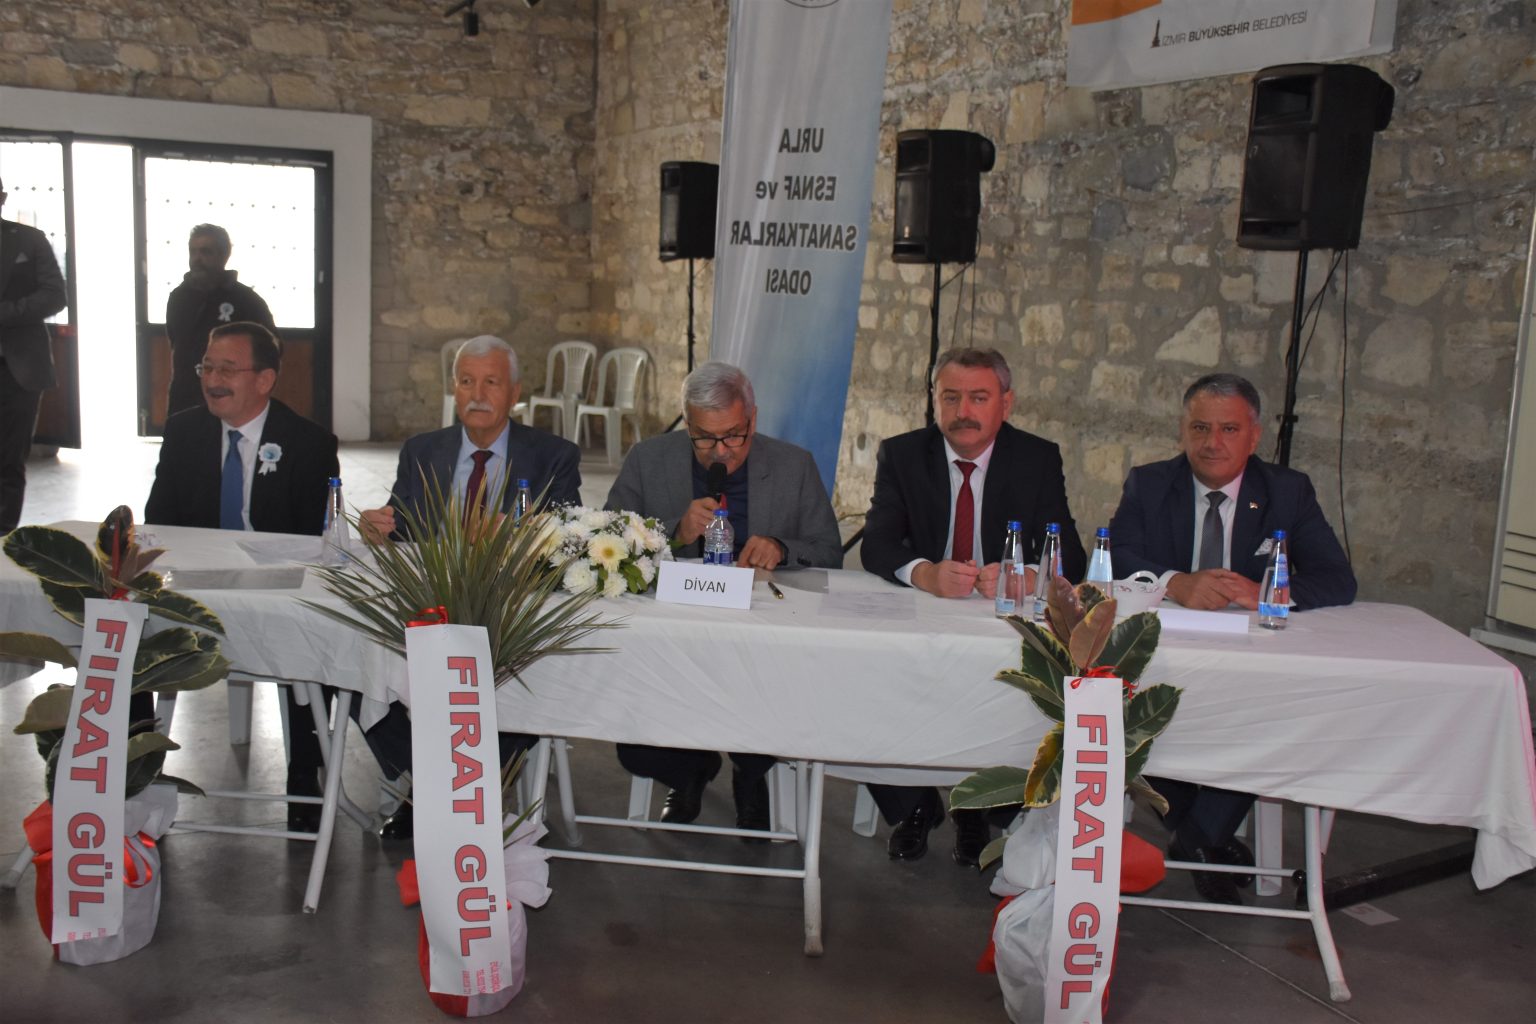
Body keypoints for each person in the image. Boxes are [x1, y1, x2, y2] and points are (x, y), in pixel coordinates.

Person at [1108, 371, 1356, 903]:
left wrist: (1264, 591)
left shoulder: (1287, 491)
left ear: (1254, 435)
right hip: (1167, 661)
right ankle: (1207, 838)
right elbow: (1113, 558)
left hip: (1252, 667)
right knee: (1128, 705)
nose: (1212, 443)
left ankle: (1198, 836)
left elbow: (1338, 578)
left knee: (1271, 712)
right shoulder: (1150, 484)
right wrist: (1175, 582)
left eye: (1228, 429)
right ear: (1183, 430)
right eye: (1200, 427)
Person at [861, 347, 1086, 866]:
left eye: (979, 398)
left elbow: (1068, 554)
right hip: (923, 617)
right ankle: (914, 805)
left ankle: (982, 806)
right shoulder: (903, 454)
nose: (963, 411)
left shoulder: (1036, 458)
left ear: (1006, 403)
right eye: (951, 397)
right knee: (869, 677)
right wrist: (925, 573)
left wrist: (1029, 577)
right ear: (934, 400)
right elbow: (877, 544)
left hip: (999, 625)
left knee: (1020, 690)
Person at [357, 334, 582, 839]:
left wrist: (514, 539)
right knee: (357, 655)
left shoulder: (553, 456)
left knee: (522, 673)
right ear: (453, 388)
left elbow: (567, 541)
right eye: (465, 381)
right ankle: (434, 782)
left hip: (508, 608)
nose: (477, 394)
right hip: (428, 603)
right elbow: (403, 526)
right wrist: (380, 527)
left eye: (491, 382)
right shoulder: (422, 450)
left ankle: (454, 787)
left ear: (515, 392)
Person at [605, 361, 842, 837]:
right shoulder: (648, 460)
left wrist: (780, 547)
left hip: (762, 639)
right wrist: (674, 533)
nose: (720, 451)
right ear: (686, 424)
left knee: (774, 695)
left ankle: (750, 775)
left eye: (734, 436)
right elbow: (609, 542)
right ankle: (689, 771)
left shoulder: (793, 464)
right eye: (704, 438)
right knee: (633, 743)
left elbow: (829, 550)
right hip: (672, 637)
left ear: (753, 418)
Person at [143, 320, 339, 833]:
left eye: (228, 369)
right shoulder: (184, 431)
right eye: (207, 367)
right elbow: (159, 521)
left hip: (274, 594)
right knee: (123, 621)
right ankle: (135, 770)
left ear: (265, 379)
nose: (213, 380)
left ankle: (304, 775)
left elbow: (312, 544)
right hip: (193, 589)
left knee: (313, 626)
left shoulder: (309, 443)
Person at [0, 178, 67, 535]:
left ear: (2, 197)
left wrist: (6, 313)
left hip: (18, 369)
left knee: (9, 460)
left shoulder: (30, 240)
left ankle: (3, 538)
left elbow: (55, 295)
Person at [164, 224, 275, 418]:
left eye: (206, 252)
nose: (197, 259)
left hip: (230, 399)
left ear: (224, 256)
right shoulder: (178, 297)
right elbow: (175, 341)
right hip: (184, 396)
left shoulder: (246, 300)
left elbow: (271, 350)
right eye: (193, 252)